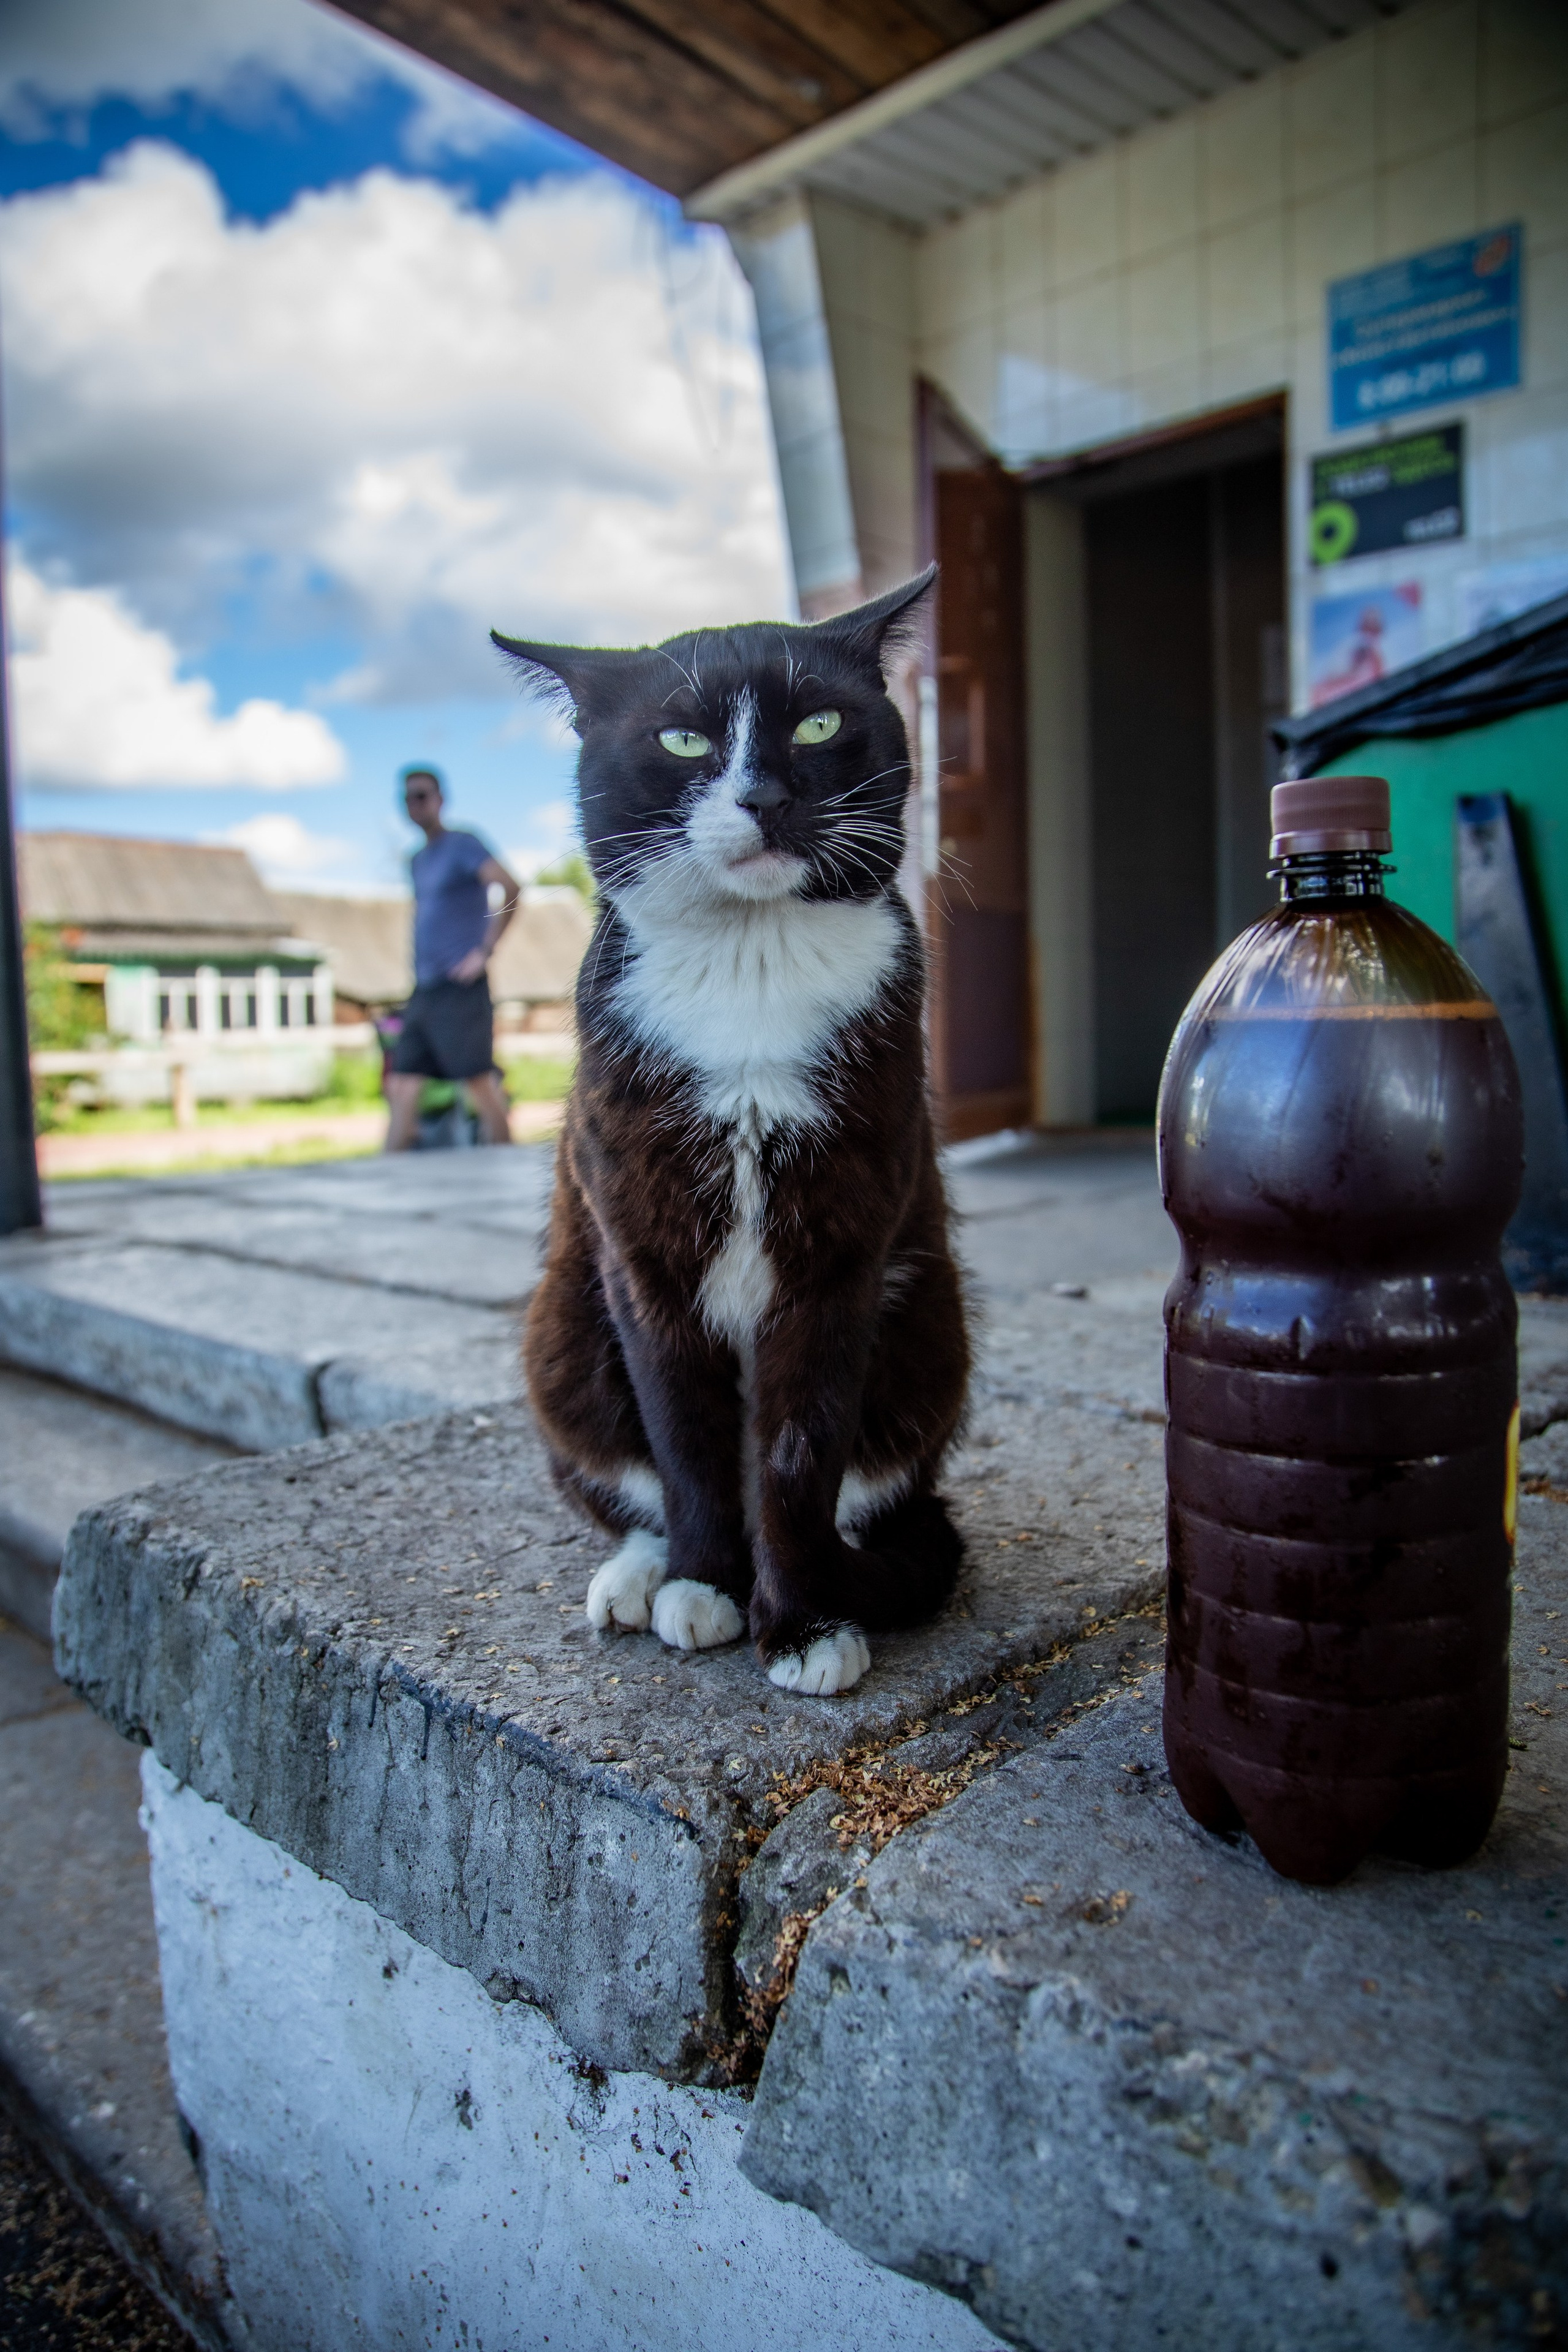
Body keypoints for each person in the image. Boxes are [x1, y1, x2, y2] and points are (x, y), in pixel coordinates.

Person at [386, 766, 520, 1150]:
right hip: (425, 987)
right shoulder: (416, 859)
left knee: (477, 1079)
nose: (415, 804)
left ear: (440, 800)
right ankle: (387, 1173)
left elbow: (510, 887)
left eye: (423, 795)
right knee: (402, 1081)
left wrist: (484, 951)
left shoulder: (463, 845)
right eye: (409, 798)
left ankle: (505, 1159)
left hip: (461, 986)